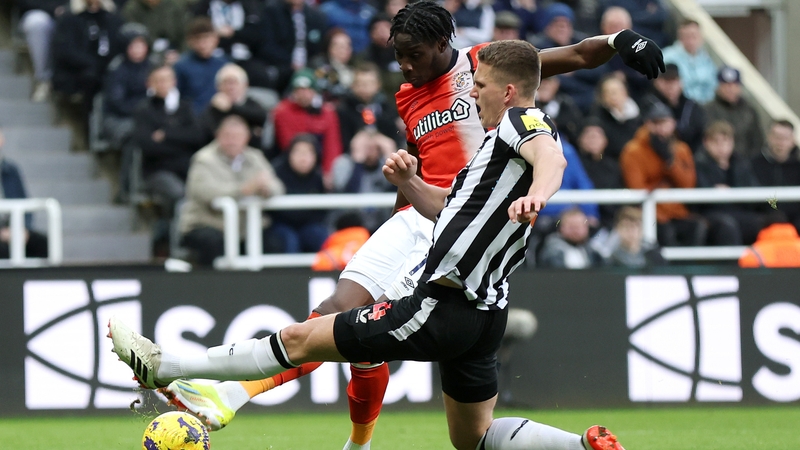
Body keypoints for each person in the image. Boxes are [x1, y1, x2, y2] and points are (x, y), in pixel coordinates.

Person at [152, 1, 665, 445]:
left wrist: (619, 40)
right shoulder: (406, 94)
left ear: (444, 43)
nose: (404, 65)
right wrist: (408, 178)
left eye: (413, 55)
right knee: (334, 311)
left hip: (454, 228)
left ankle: (234, 396)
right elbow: (431, 160)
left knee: (351, 338)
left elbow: (575, 56)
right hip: (416, 212)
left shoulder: (482, 69)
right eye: (397, 55)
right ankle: (256, 407)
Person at [180, 115, 286, 266]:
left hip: (247, 227)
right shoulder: (203, 159)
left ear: (247, 137)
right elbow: (206, 193)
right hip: (209, 224)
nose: (232, 141)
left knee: (275, 242)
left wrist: (266, 189)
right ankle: (212, 288)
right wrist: (244, 190)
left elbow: (277, 186)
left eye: (237, 136)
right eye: (227, 136)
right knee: (212, 243)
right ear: (218, 136)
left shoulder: (255, 157)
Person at [619, 101, 707, 247]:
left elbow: (688, 185)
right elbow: (636, 188)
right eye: (655, 123)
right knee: (665, 231)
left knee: (697, 227)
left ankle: (691, 270)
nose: (660, 129)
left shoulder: (681, 149)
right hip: (651, 213)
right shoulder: (633, 151)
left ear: (672, 124)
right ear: (647, 124)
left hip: (676, 211)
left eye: (664, 123)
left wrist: (670, 163)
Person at [131, 65, 205, 219]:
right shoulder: (144, 110)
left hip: (186, 167)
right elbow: (148, 146)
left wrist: (166, 135)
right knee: (180, 195)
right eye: (157, 80)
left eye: (166, 79)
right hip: (157, 170)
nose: (162, 84)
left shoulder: (185, 107)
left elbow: (197, 137)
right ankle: (171, 236)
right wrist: (181, 143)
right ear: (149, 83)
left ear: (174, 82)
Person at [694, 120, 763, 245]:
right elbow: (698, 193)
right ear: (706, 142)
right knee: (727, 226)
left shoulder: (742, 164)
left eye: (725, 141)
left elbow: (754, 191)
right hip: (713, 214)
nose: (721, 147)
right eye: (716, 142)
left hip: (741, 212)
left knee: (768, 222)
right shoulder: (698, 165)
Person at [272, 69, 343, 180]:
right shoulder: (282, 111)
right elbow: (288, 145)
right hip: (291, 166)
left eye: (307, 90)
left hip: (320, 168)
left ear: (314, 91)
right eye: (298, 90)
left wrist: (328, 172)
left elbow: (332, 145)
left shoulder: (327, 113)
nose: (303, 94)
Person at [247, 0, 328, 93]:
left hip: (309, 68)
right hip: (280, 67)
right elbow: (265, 45)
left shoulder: (317, 16)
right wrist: (291, 63)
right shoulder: (271, 11)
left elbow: (319, 47)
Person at [270, 134, 331, 253]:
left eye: (308, 153)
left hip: (309, 225)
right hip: (281, 225)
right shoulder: (276, 172)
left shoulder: (318, 178)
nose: (303, 158)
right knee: (289, 240)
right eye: (298, 152)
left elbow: (323, 212)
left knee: (321, 236)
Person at [332, 129, 397, 232]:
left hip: (381, 221)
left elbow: (395, 190)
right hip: (350, 223)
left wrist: (391, 156)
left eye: (373, 147)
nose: (370, 151)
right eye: (366, 147)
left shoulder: (384, 164)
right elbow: (348, 193)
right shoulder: (343, 163)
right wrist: (358, 161)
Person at [102, 23, 152, 152]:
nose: (138, 49)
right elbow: (117, 103)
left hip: (151, 115)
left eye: (141, 44)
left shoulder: (154, 65)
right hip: (120, 118)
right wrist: (142, 110)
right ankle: (130, 171)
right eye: (133, 45)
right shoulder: (116, 69)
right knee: (135, 135)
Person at [0, 128, 49, 259]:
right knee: (4, 250)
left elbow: (25, 203)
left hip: (14, 227)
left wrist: (23, 229)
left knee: (42, 243)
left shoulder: (11, 170)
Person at [640, 63, 706, 153]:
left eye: (674, 81)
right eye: (666, 81)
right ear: (657, 82)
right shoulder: (648, 102)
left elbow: (697, 133)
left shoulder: (691, 105)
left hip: (689, 154)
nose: (670, 86)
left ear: (681, 83)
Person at [199, 63, 267, 149]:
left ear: (245, 85)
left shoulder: (252, 104)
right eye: (226, 83)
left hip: (249, 151)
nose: (231, 87)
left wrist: (231, 107)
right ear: (218, 87)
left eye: (234, 82)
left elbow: (261, 118)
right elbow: (205, 132)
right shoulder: (213, 107)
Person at [336, 62, 402, 150]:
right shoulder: (345, 108)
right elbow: (344, 137)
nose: (364, 88)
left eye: (369, 83)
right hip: (353, 150)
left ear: (378, 85)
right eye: (360, 84)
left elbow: (393, 134)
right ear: (353, 85)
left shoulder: (386, 107)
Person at [703, 66, 764, 158]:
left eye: (734, 85)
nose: (730, 89)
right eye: (726, 85)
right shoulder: (707, 110)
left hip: (745, 162)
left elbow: (757, 141)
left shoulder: (749, 111)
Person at [751, 120, 800, 231]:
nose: (780, 142)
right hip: (765, 217)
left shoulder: (798, 167)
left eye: (785, 138)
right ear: (769, 137)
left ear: (793, 141)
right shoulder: (754, 165)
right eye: (777, 137)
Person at [173, 17, 228, 115]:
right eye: (198, 39)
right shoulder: (181, 66)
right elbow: (175, 98)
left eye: (206, 38)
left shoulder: (224, 65)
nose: (203, 44)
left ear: (216, 39)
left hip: (220, 116)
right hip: (192, 118)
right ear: (190, 41)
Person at [15, 0, 68, 102]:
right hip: (39, 12)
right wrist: (54, 9)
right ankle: (43, 80)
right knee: (37, 23)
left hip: (73, 14)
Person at [662, 19, 717, 104]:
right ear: (680, 37)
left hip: (706, 105)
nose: (691, 41)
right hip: (679, 105)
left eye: (694, 36)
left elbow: (712, 85)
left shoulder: (706, 59)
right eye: (687, 36)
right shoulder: (667, 57)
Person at [589, 74, 641, 160]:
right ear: (602, 97)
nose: (613, 96)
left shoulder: (637, 114)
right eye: (607, 92)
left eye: (616, 91)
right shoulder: (597, 117)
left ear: (625, 92)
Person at [538, 208, 605, 269]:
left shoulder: (594, 250)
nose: (575, 231)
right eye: (571, 227)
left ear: (587, 228)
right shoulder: (552, 250)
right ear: (561, 228)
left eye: (579, 227)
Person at [122, 0, 186, 61]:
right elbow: (131, 36)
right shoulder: (132, 8)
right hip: (145, 53)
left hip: (174, 49)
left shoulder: (174, 6)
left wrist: (180, 54)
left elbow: (186, 32)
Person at [535, 75, 583, 145]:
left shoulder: (565, 104)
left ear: (556, 84)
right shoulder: (527, 104)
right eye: (541, 81)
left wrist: (557, 124)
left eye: (548, 81)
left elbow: (576, 131)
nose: (544, 85)